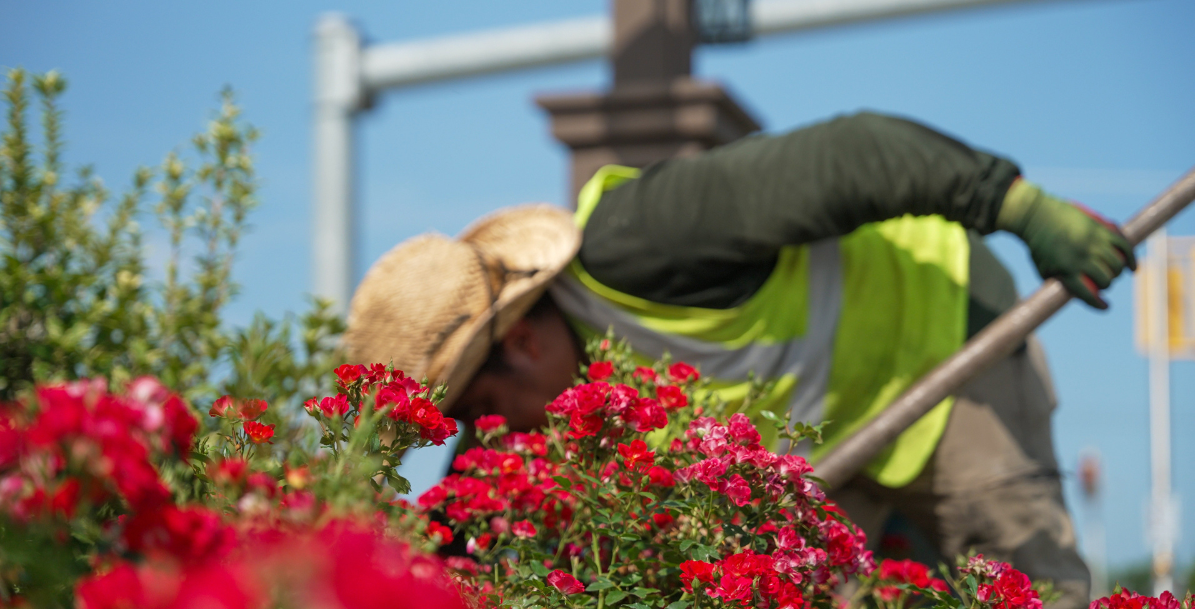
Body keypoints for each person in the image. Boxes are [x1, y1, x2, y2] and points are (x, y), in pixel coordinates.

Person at [345, 111, 1134, 609]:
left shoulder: (648, 236)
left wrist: (1024, 210)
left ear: (520, 342)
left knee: (1025, 580)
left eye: (479, 412)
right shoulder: (530, 412)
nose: (491, 437)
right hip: (824, 442)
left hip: (941, 349)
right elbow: (449, 539)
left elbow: (855, 153)